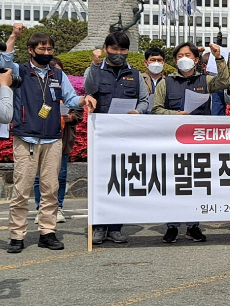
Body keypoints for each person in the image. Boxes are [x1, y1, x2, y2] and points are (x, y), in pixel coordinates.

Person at [7, 32, 96, 254]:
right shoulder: (19, 71)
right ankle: (17, 235)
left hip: (53, 138)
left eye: (49, 50)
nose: (46, 53)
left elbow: (71, 98)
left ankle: (48, 232)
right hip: (26, 136)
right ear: (31, 50)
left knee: (50, 189)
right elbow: (4, 61)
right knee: (22, 189)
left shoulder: (57, 74)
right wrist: (13, 36)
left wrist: (84, 99)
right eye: (42, 49)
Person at [152, 42, 228, 243]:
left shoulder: (206, 80)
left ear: (196, 59)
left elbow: (224, 82)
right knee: (175, 184)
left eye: (188, 55)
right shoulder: (165, 83)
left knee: (197, 184)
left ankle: (194, 225)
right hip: (173, 141)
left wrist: (218, 59)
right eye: (179, 55)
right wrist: (176, 114)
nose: (183, 59)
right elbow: (156, 109)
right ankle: (172, 226)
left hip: (199, 141)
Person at [83, 33, 150, 244]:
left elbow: (144, 100)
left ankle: (116, 227)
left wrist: (139, 111)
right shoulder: (94, 70)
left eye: (123, 50)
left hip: (125, 136)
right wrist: (94, 65)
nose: (119, 54)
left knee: (121, 181)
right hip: (101, 136)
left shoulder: (135, 74)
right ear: (105, 48)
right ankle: (99, 227)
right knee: (101, 182)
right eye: (114, 49)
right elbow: (89, 89)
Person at [32, 58, 83, 225]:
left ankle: (58, 207)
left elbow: (78, 113)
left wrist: (69, 117)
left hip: (62, 140)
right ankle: (41, 208)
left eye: (58, 71)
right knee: (40, 177)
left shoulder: (68, 92)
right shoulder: (39, 90)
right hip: (42, 138)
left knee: (60, 176)